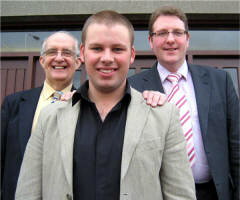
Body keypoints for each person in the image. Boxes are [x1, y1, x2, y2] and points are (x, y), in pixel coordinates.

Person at [15, 10, 196, 200]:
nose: (107, 58)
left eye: (117, 49)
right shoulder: (49, 116)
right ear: (83, 53)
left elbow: (180, 195)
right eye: (97, 48)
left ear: (131, 54)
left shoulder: (164, 116)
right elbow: (28, 192)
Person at [128, 6, 240, 200]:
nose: (170, 39)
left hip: (215, 192)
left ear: (187, 39)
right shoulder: (133, 88)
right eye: (162, 33)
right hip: (160, 194)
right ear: (151, 41)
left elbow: (237, 143)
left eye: (177, 32)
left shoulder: (219, 81)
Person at [1, 31, 81, 200]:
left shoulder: (87, 105)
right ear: (42, 61)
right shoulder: (13, 104)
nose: (59, 58)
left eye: (67, 53)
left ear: (78, 62)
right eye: (52, 52)